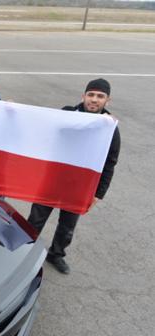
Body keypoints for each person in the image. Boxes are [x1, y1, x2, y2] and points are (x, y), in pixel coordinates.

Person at [27, 78, 121, 274]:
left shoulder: (110, 129)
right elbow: (47, 127)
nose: (94, 100)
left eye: (100, 96)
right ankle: (24, 250)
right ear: (83, 96)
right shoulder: (68, 113)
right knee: (36, 219)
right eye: (91, 95)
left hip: (80, 185)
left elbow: (109, 163)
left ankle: (56, 254)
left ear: (107, 101)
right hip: (54, 179)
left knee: (67, 226)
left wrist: (98, 194)